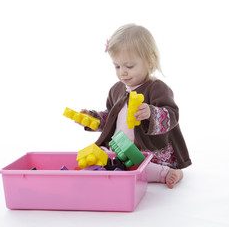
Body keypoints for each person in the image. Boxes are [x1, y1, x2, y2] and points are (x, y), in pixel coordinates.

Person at [81, 24, 191, 188]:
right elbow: (110, 118)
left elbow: (172, 115)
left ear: (149, 61)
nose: (122, 72)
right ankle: (110, 171)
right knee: (95, 157)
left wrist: (151, 113)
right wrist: (93, 119)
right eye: (117, 66)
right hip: (117, 148)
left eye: (129, 66)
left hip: (145, 151)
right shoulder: (116, 89)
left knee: (142, 166)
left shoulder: (157, 88)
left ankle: (167, 172)